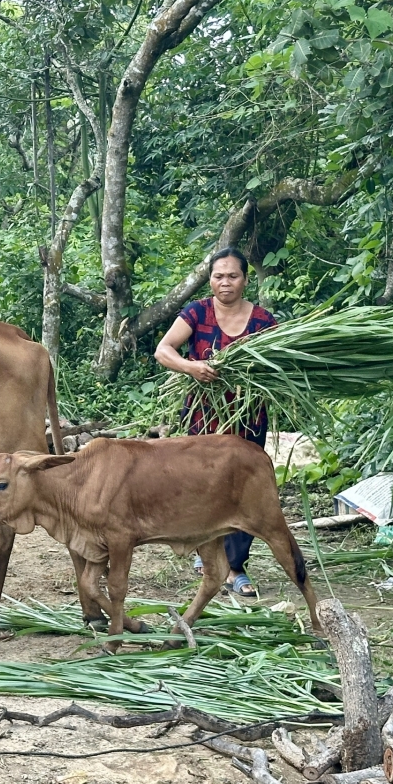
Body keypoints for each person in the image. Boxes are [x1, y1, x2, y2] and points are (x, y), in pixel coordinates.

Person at [153, 247, 276, 599]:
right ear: (210, 280)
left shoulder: (264, 322)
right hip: (204, 416)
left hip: (248, 418)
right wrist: (192, 367)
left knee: (245, 489)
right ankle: (208, 555)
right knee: (205, 486)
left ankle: (235, 567)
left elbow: (276, 368)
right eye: (219, 276)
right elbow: (164, 350)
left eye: (233, 276)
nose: (226, 283)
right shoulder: (197, 312)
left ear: (245, 280)